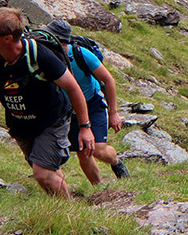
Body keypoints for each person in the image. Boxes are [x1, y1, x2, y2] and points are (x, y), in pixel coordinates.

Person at [0, 8, 94, 199]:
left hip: (52, 121)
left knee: (42, 173)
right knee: (47, 172)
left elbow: (73, 87)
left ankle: (69, 215)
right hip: (20, 125)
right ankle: (63, 208)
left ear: (7, 38)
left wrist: (85, 127)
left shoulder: (39, 55)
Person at [42, 19, 128, 184]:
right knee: (83, 150)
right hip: (67, 109)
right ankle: (99, 189)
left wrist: (114, 112)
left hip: (92, 103)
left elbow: (108, 80)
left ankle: (116, 162)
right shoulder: (45, 56)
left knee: (99, 150)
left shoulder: (80, 54)